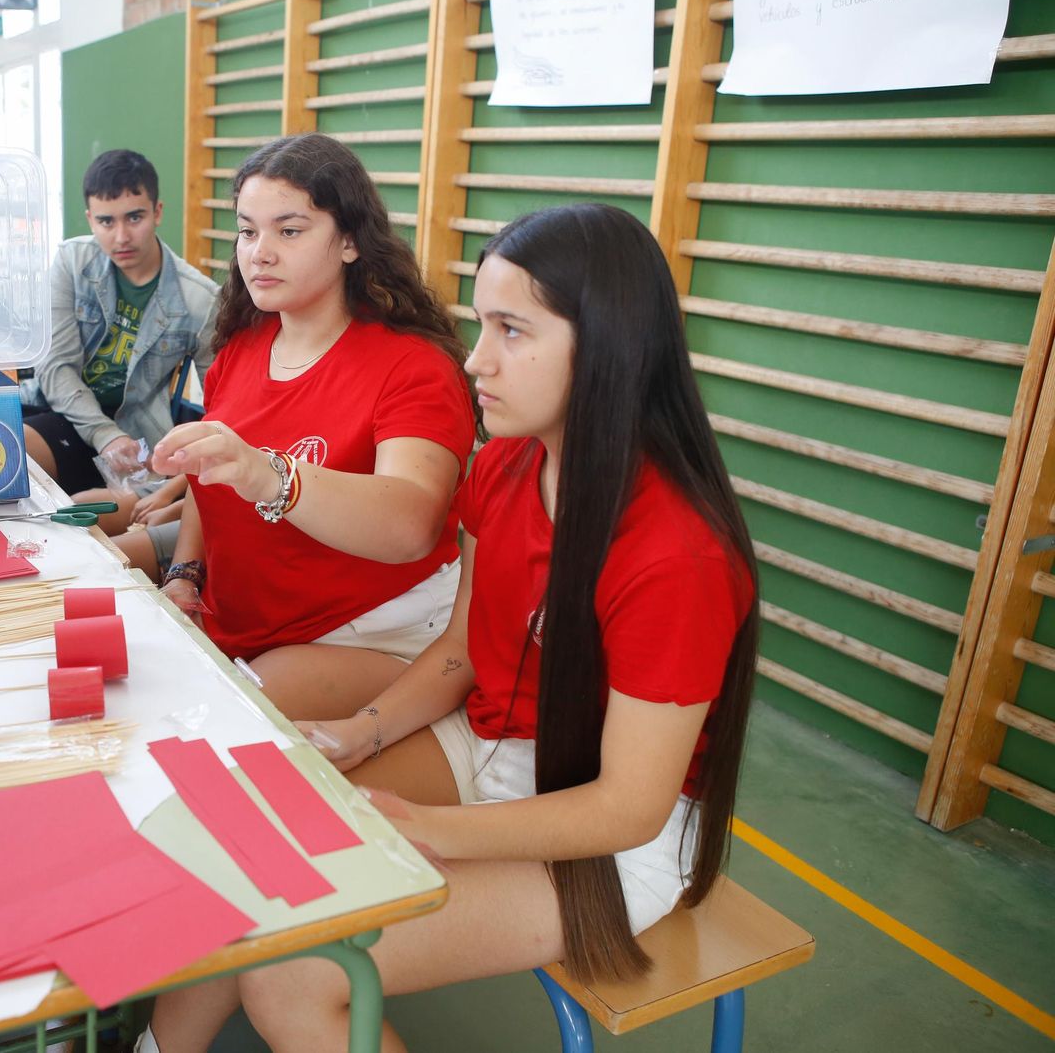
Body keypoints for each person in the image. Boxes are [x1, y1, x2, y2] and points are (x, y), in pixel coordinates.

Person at [142, 203, 760, 1052]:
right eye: (481, 324)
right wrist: (362, 735)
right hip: (488, 746)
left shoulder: (675, 555)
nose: (477, 359)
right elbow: (466, 649)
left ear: (609, 346)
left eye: (512, 330)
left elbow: (626, 809)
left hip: (613, 841)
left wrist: (431, 830)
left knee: (298, 973)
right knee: (251, 848)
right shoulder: (507, 463)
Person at [150, 133, 476, 716]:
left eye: (289, 230)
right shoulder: (242, 347)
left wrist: (271, 475)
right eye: (248, 231)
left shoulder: (413, 366)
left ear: (350, 240)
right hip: (244, 622)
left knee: (217, 724)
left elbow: (412, 524)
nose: (259, 252)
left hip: (366, 631)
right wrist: (185, 572)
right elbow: (212, 478)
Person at [21, 149, 218, 517]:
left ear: (157, 212)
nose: (121, 236)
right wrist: (103, 434)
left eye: (135, 217)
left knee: (81, 514)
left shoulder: (200, 299)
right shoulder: (71, 261)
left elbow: (222, 407)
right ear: (90, 219)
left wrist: (175, 476)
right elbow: (56, 368)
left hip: (139, 445)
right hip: (66, 415)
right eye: (106, 222)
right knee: (9, 457)